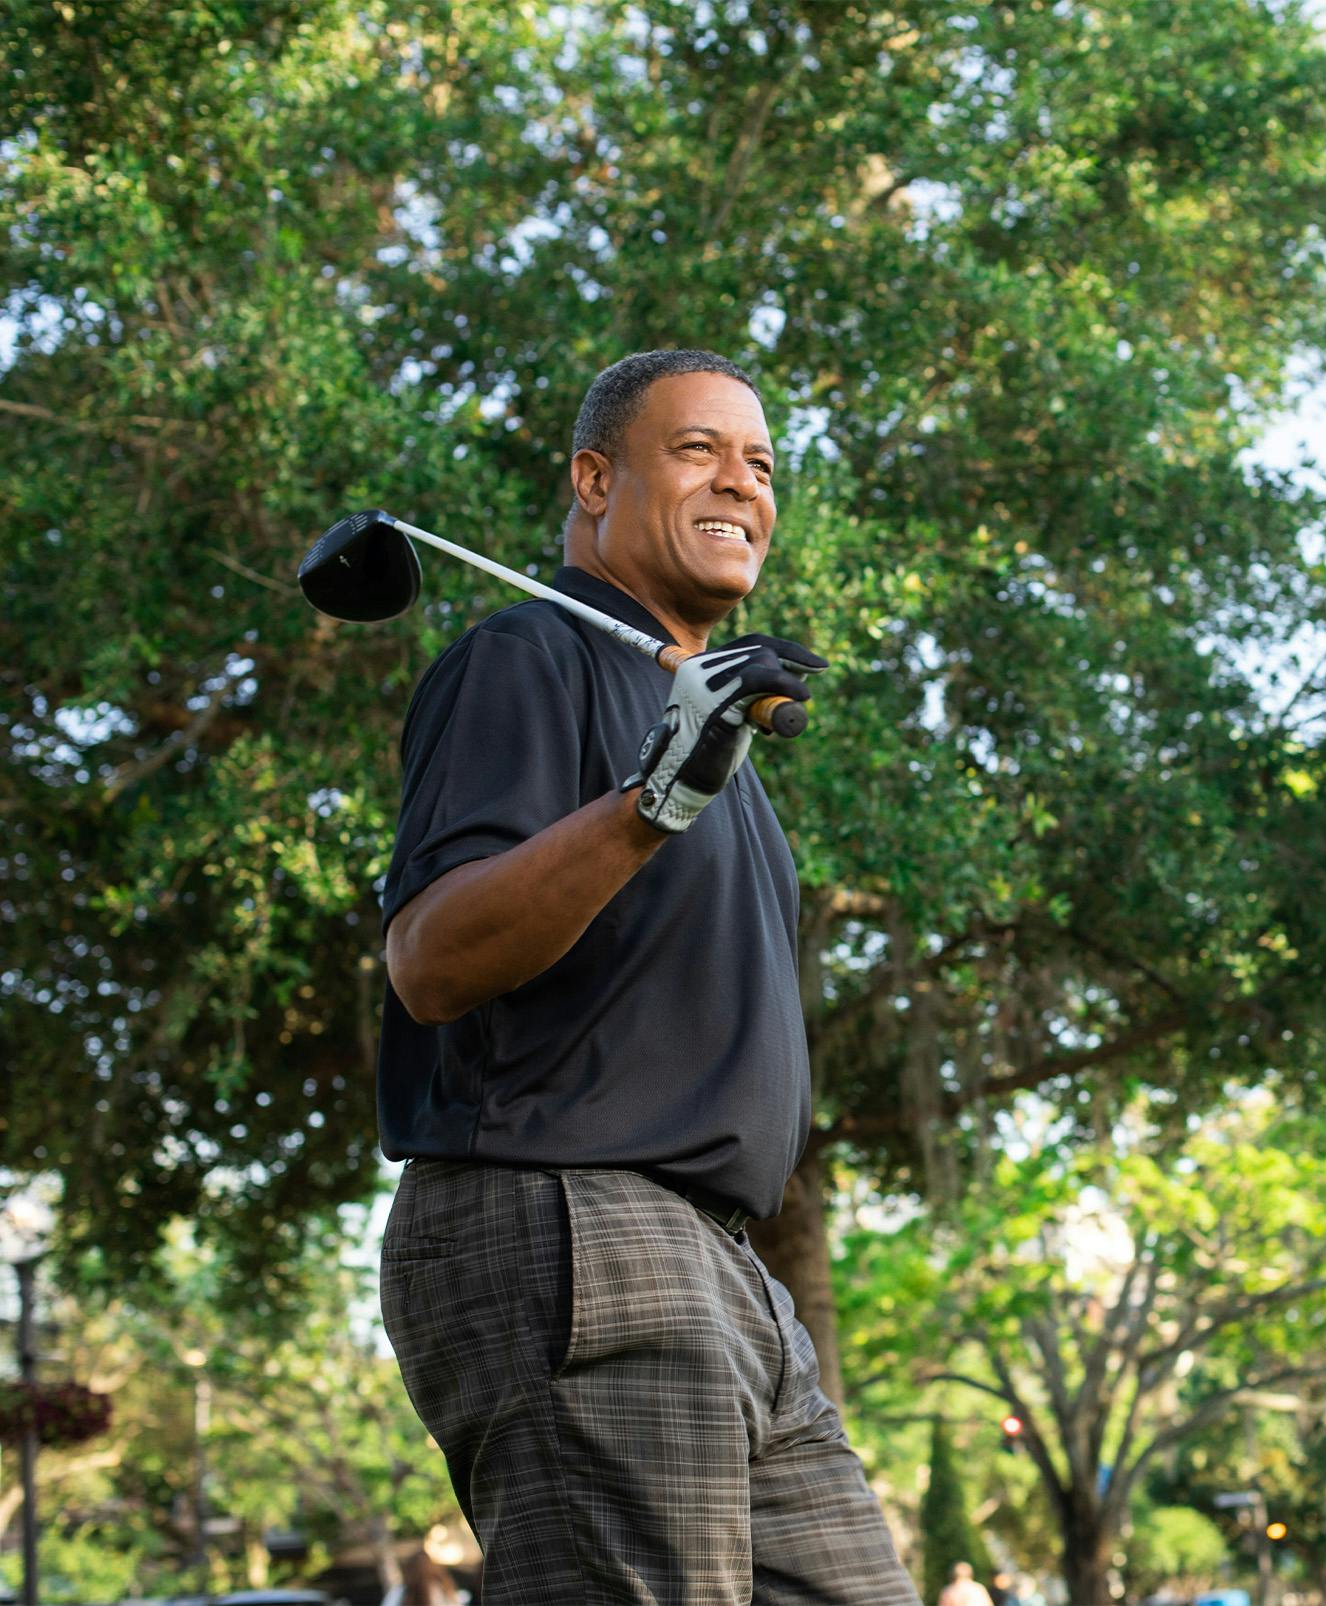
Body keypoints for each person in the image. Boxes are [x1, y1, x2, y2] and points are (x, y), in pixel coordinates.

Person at [375, 349, 919, 1604]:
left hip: (726, 1262)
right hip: (573, 1219)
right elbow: (430, 959)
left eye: (763, 462)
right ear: (593, 477)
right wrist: (651, 799)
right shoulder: (528, 657)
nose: (743, 482)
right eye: (698, 450)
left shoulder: (703, 715)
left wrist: (688, 766)